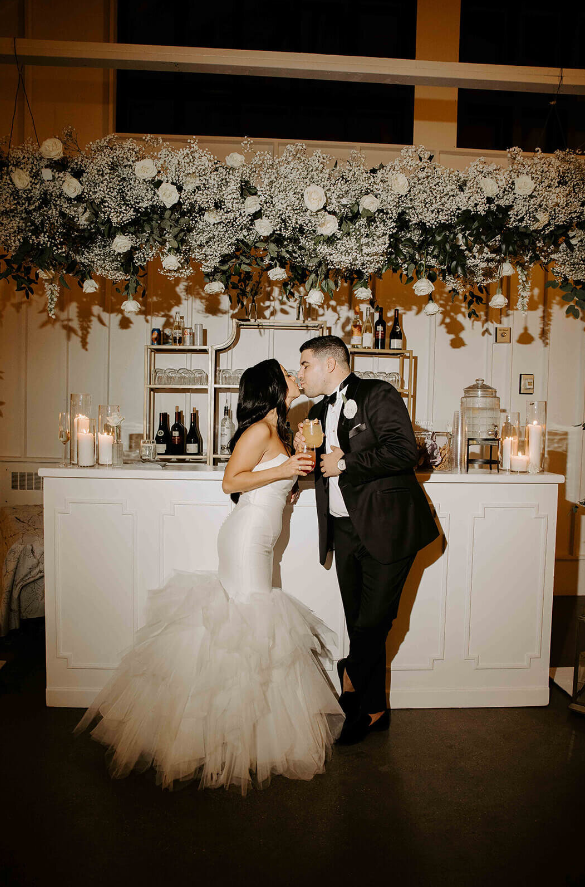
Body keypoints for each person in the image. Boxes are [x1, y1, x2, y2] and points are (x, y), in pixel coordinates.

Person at [74, 359, 344, 793]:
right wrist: (283, 470)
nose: (296, 375)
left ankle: (240, 731)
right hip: (244, 540)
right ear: (273, 386)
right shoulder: (258, 429)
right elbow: (230, 482)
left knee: (249, 627)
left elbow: (273, 481)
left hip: (262, 538)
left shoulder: (284, 429)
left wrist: (299, 479)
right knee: (247, 627)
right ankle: (226, 738)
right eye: (288, 373)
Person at [296, 336, 439, 746]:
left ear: (330, 364)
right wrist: (298, 476)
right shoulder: (317, 410)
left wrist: (346, 461)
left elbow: (404, 451)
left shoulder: (377, 393)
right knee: (359, 620)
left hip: (389, 526)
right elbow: (323, 467)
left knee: (374, 621)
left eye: (305, 364)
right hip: (344, 531)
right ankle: (375, 710)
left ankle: (349, 671)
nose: (301, 372)